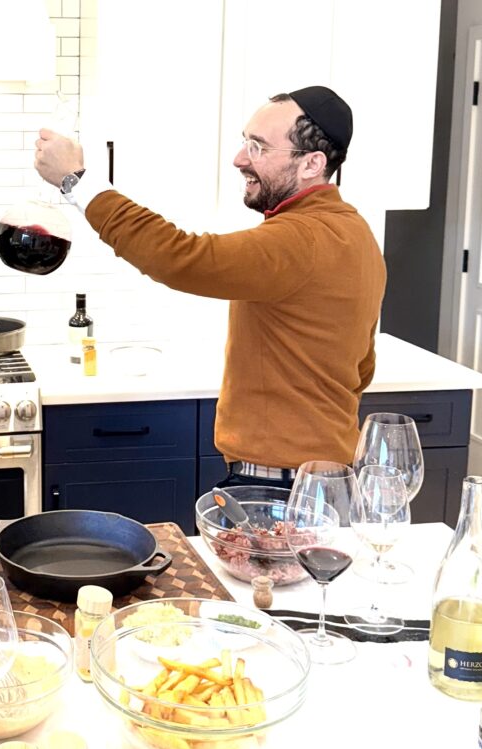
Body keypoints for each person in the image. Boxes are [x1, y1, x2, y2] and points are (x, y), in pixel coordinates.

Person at [34, 86, 386, 494]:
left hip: (279, 484)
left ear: (312, 163)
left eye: (258, 147)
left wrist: (78, 182)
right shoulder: (356, 234)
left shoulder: (300, 239)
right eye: (245, 142)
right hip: (325, 476)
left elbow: (178, 256)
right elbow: (361, 367)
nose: (240, 158)